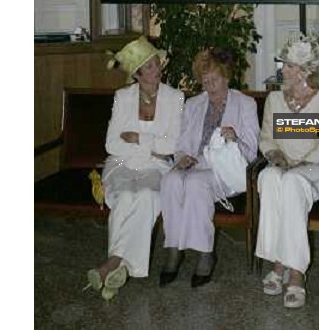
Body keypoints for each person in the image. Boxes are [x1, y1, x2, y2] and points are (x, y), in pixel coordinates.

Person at [86, 36, 184, 301]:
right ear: (137, 74)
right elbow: (111, 144)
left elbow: (172, 145)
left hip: (157, 166)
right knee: (126, 196)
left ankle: (113, 263)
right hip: (121, 164)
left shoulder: (175, 97)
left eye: (157, 64)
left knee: (148, 197)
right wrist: (152, 145)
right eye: (150, 67)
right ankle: (122, 267)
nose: (157, 70)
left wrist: (138, 138)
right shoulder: (122, 97)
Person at [159, 48, 259, 288]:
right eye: (205, 81)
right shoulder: (193, 104)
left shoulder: (245, 104)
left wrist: (234, 138)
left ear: (226, 76)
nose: (209, 86)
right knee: (170, 180)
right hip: (195, 164)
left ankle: (205, 253)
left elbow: (252, 151)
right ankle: (174, 249)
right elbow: (181, 143)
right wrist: (182, 157)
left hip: (225, 169)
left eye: (214, 79)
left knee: (195, 184)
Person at [254, 36, 319, 309]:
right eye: (284, 65)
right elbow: (266, 139)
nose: (284, 70)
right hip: (285, 165)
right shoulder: (274, 99)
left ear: (306, 70)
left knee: (291, 181)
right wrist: (275, 156)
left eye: (290, 66)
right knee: (267, 176)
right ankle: (280, 262)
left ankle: (291, 271)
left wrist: (297, 165)